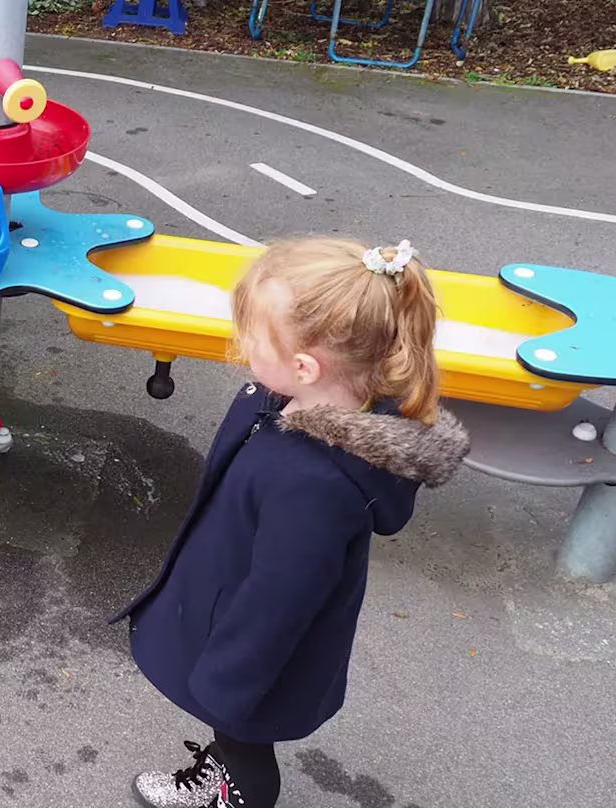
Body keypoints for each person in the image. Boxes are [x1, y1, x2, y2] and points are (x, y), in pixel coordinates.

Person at [112, 238, 470, 808]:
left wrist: (227, 683)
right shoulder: (283, 402)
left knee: (245, 745)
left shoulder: (315, 484)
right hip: (229, 601)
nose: (239, 345)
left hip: (254, 647)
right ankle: (225, 769)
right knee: (234, 735)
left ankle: (238, 797)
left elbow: (282, 597)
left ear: (305, 366)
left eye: (250, 336)